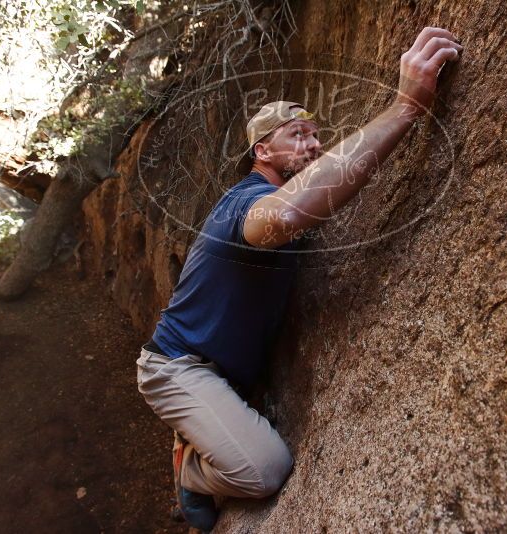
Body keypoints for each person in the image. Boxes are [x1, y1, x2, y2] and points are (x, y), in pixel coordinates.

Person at [136, 26, 463, 531]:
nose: (313, 143)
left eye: (315, 134)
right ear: (262, 153)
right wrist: (406, 107)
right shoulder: (240, 204)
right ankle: (193, 471)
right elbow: (283, 218)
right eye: (297, 135)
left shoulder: (276, 189)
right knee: (265, 470)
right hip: (178, 367)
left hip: (225, 371)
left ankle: (201, 434)